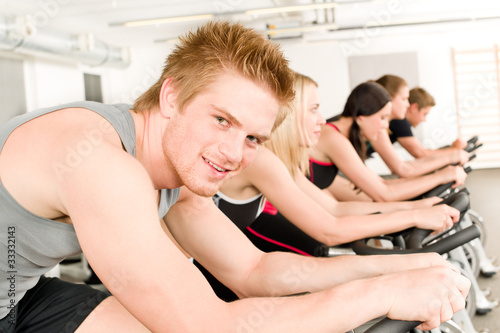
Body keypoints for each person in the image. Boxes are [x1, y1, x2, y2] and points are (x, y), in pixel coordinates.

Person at [0, 21, 469, 332]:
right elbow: (207, 326)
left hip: (25, 292)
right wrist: (382, 293)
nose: (232, 153)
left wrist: (404, 268)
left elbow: (254, 270)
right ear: (171, 97)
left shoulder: (174, 170)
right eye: (221, 120)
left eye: (253, 138)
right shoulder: (100, 161)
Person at [309, 81, 468, 202]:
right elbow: (386, 191)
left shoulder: (338, 135)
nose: (386, 125)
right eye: (383, 118)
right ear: (362, 116)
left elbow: (381, 185)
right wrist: (441, 175)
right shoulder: (334, 137)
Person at [369, 75, 469, 178]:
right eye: (404, 99)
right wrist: (453, 152)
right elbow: (420, 154)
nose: (407, 105)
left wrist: (453, 152)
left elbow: (402, 166)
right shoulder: (398, 121)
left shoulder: (386, 124)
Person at [389, 86, 468, 158]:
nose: (424, 119)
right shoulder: (400, 121)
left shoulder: (400, 122)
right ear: (414, 108)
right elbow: (421, 154)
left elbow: (423, 153)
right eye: (425, 114)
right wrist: (454, 150)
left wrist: (451, 149)